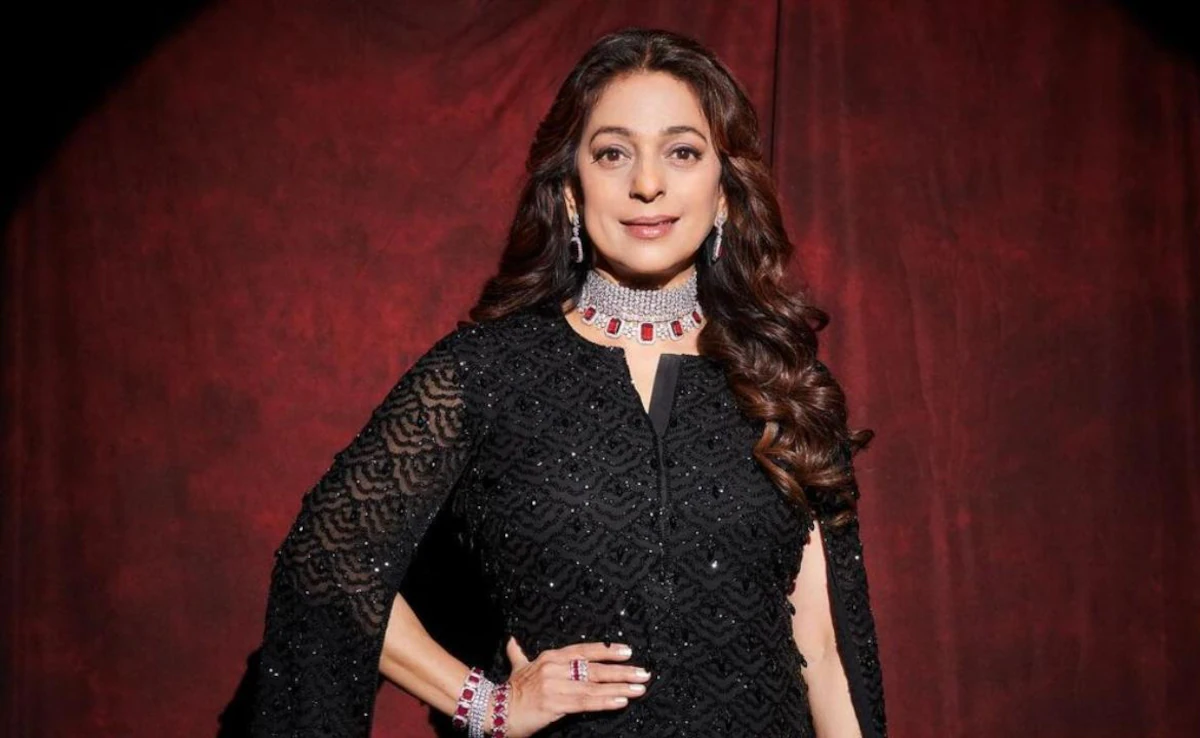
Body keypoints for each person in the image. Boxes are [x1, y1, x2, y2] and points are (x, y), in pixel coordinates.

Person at [245, 27, 887, 738]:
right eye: (614, 153)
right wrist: (484, 703)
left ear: (727, 193)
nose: (647, 184)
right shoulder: (490, 371)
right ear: (573, 195)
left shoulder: (783, 382)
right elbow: (327, 562)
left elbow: (825, 657)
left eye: (682, 151)